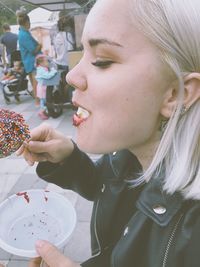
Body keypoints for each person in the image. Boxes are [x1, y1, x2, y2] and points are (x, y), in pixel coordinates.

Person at [12, 0, 200, 266]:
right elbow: (113, 189)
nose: (72, 76)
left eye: (102, 61)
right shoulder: (130, 153)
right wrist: (69, 159)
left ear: (176, 94)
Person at [16, 7, 42, 104]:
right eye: (29, 22)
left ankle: (37, 100)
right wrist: (40, 45)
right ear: (26, 22)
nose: (30, 24)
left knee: (34, 81)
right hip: (32, 62)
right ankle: (37, 101)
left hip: (29, 61)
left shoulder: (24, 33)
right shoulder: (24, 34)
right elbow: (33, 50)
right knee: (36, 83)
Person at [35, 54, 57, 120]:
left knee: (44, 101)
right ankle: (42, 112)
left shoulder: (42, 68)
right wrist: (53, 71)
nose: (48, 63)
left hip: (42, 87)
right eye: (47, 61)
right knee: (44, 102)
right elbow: (47, 76)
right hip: (42, 88)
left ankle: (43, 111)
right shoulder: (41, 70)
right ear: (41, 63)